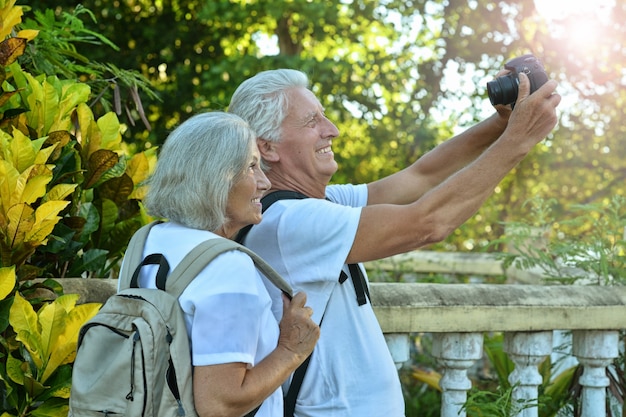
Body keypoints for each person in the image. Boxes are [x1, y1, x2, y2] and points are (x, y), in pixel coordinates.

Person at [228, 68, 561, 416]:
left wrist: (501, 125)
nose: (333, 130)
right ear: (268, 147)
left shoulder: (319, 203)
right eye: (312, 121)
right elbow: (428, 222)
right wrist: (518, 141)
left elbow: (421, 176)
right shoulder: (289, 222)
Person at [137, 111, 320, 417]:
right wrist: (292, 349)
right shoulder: (227, 266)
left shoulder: (149, 240)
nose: (264, 181)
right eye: (251, 167)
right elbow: (219, 404)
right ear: (214, 177)